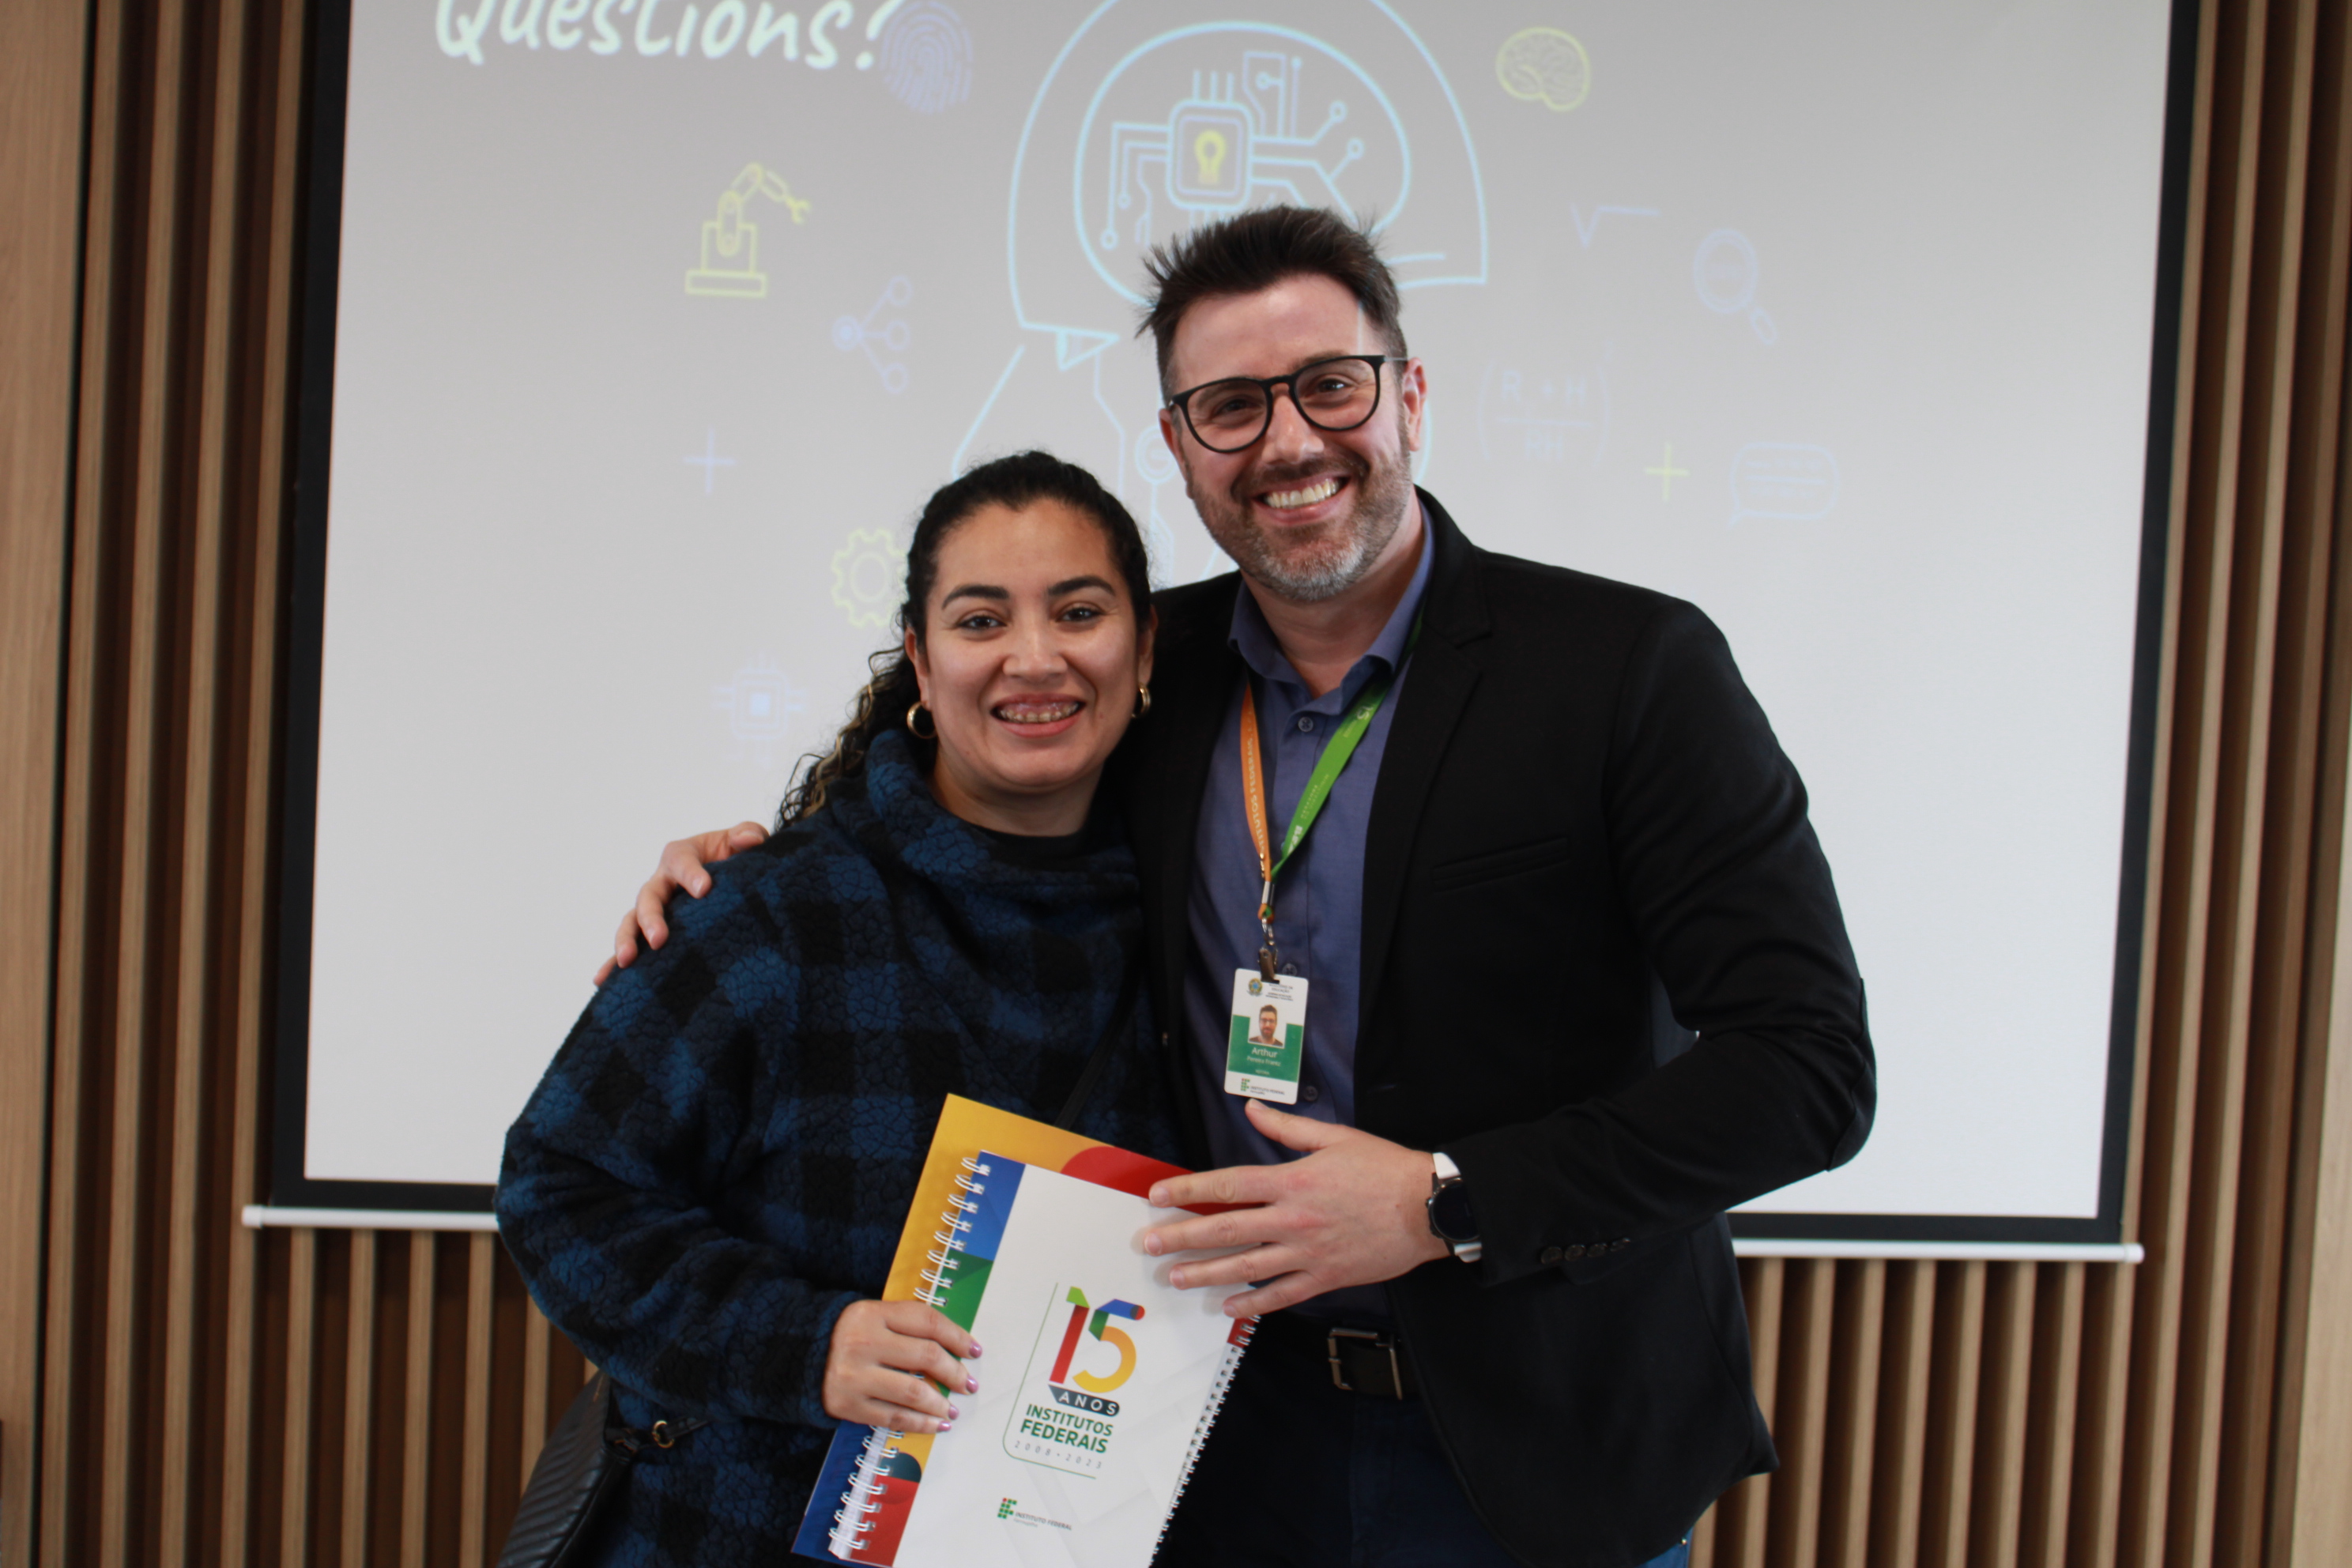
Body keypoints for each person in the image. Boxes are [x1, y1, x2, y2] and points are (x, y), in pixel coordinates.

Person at [609, 209, 1875, 1568]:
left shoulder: (1626, 670)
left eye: (1330, 384)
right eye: (1231, 406)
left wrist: (1444, 1200)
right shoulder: (1150, 665)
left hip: (1535, 1451)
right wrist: (753, 863)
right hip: (1206, 1443)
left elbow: (1806, 1069)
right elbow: (965, 790)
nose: (1288, 441)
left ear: (1410, 396)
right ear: (1178, 444)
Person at [497, 451, 1182, 1565]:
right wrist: (804, 1346)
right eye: (980, 620)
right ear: (921, 660)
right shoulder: (775, 914)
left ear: (1145, 647)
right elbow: (558, 1187)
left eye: (1078, 611)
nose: (1034, 657)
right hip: (739, 1536)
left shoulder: (1200, 927)